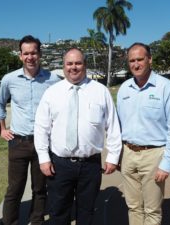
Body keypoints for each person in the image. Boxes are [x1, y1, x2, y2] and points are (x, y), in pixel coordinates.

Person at [34, 48, 122, 225]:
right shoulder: (52, 93)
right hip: (59, 164)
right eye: (69, 63)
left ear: (85, 65)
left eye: (78, 63)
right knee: (58, 211)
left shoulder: (100, 91)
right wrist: (43, 158)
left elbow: (113, 126)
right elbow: (41, 128)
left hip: (90, 165)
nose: (73, 67)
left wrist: (113, 157)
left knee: (86, 212)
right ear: (64, 66)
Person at [0, 35, 61, 225]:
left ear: (39, 54)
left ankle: (37, 221)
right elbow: (0, 104)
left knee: (40, 188)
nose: (30, 57)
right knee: (14, 189)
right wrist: (2, 129)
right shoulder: (9, 79)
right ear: (20, 56)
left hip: (43, 144)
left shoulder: (53, 80)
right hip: (18, 142)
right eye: (26, 53)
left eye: (33, 53)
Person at [117, 42, 170, 225]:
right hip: (128, 153)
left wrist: (166, 163)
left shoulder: (165, 88)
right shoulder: (124, 89)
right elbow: (118, 125)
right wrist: (119, 154)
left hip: (154, 156)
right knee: (134, 207)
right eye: (132, 61)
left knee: (152, 210)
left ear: (149, 60)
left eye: (140, 59)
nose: (136, 64)